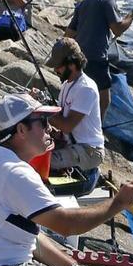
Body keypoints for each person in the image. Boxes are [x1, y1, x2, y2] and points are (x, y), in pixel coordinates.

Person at [0, 93, 133, 266]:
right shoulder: (14, 172)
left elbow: (30, 239)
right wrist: (119, 203)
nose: (50, 129)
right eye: (43, 122)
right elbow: (66, 225)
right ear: (21, 130)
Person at [65, 0, 133, 114]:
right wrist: (132, 14)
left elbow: (69, 34)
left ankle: (80, 124)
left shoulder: (83, 3)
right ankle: (97, 129)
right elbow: (117, 29)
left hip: (79, 58)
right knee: (104, 100)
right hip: (96, 57)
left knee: (82, 94)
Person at [44, 39, 105, 175]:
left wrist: (43, 112)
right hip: (71, 144)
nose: (55, 70)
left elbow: (67, 126)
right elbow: (59, 117)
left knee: (47, 161)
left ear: (71, 64)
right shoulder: (67, 85)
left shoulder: (86, 88)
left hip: (89, 150)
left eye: (58, 66)